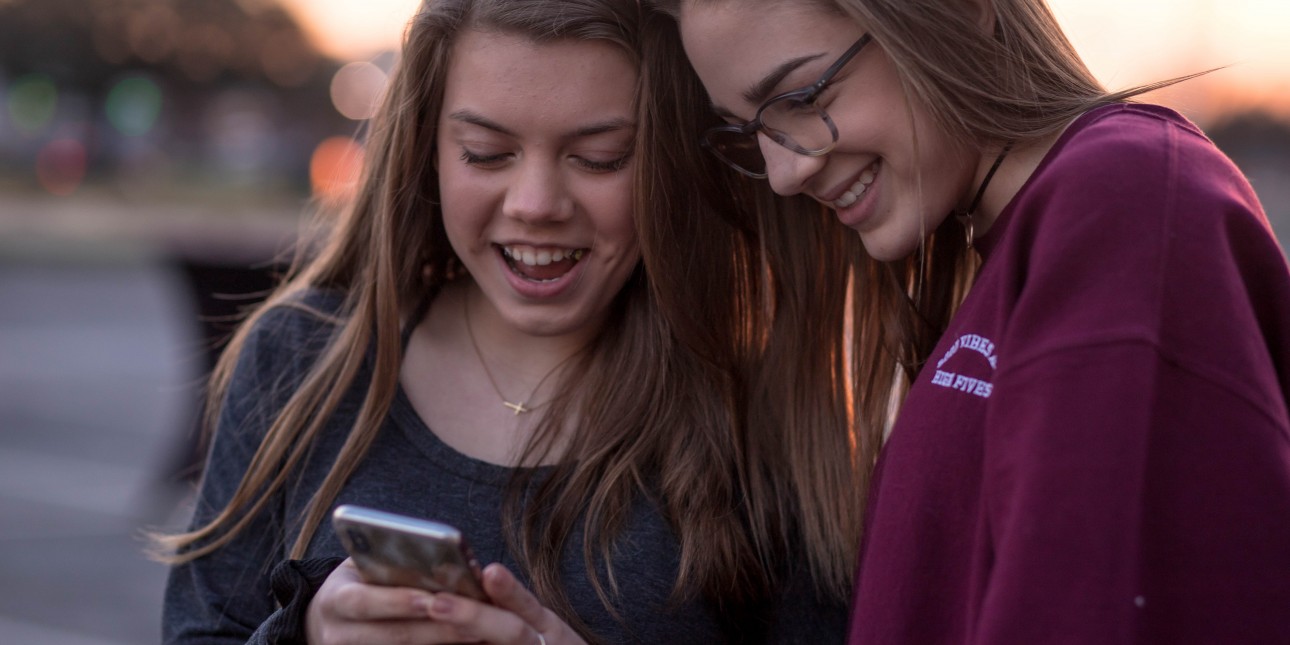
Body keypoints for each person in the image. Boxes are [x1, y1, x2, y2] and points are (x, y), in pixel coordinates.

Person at [155, 1, 860, 643]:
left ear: (671, 162)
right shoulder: (301, 359)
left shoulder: (763, 416)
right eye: (487, 153)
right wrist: (302, 631)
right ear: (425, 149)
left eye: (599, 157)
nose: (536, 202)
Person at [642, 0, 1290, 643]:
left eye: (804, 96)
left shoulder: (1124, 203)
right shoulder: (1016, 253)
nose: (784, 173)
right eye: (746, 129)